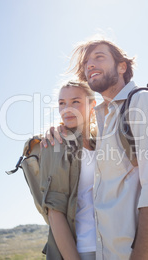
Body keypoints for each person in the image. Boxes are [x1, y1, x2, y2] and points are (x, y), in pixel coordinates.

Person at [43, 39, 148, 260]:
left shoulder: (145, 101)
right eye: (86, 62)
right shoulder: (107, 121)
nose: (90, 65)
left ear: (122, 67)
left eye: (99, 57)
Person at [40, 80, 97, 260]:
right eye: (62, 103)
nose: (67, 108)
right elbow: (54, 211)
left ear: (92, 105)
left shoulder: (101, 143)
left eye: (75, 101)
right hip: (84, 248)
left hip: (115, 245)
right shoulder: (55, 144)